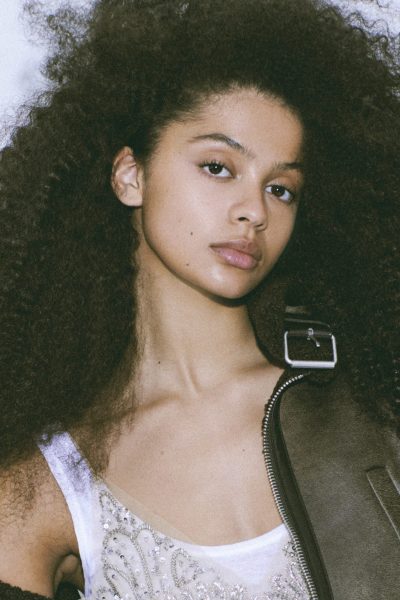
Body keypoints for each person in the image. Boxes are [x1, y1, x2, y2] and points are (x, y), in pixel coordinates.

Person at [0, 0, 399, 598]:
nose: (254, 211)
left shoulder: (368, 403)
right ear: (131, 176)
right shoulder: (43, 485)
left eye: (281, 189)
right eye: (218, 167)